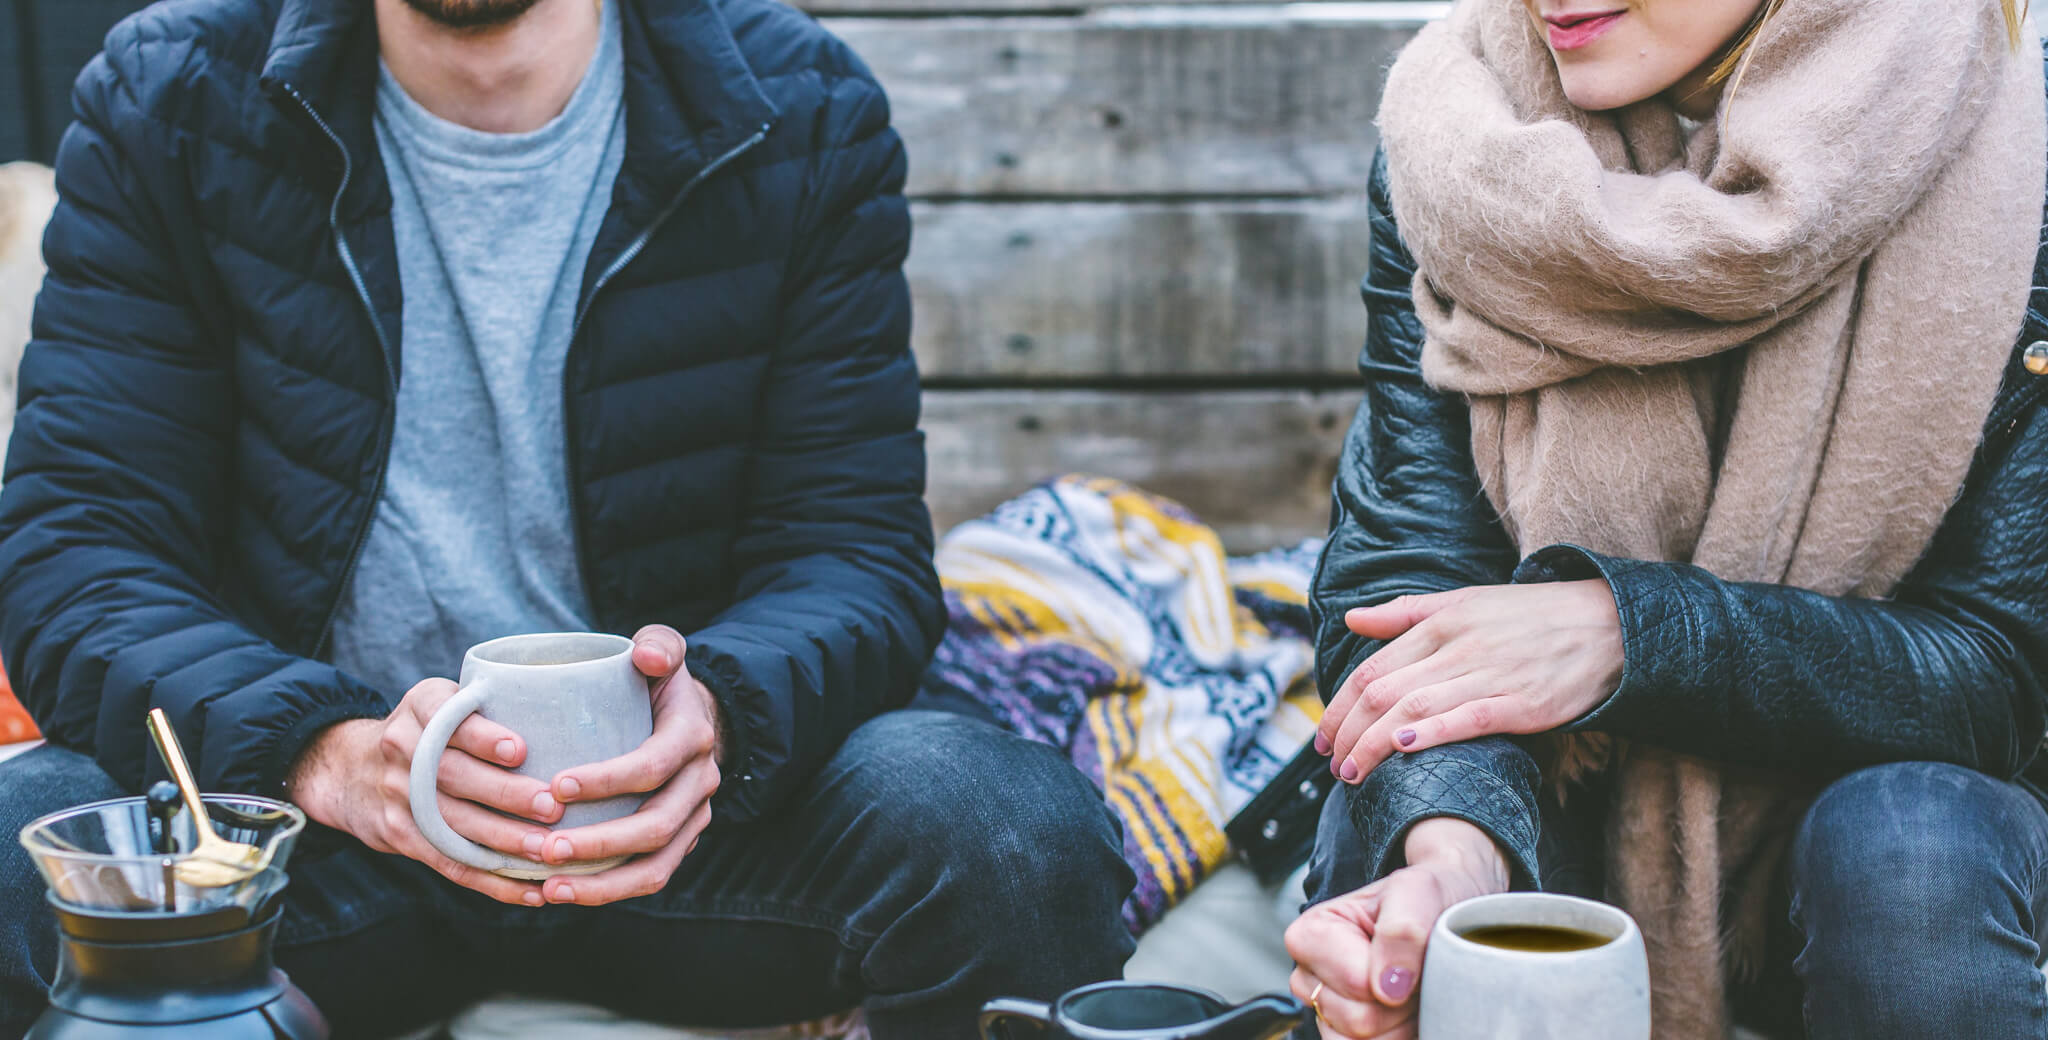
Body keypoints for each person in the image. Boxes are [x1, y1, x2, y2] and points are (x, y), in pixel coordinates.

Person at [0, 0, 1136, 1035]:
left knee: (1006, 831)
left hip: (686, 833)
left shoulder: (797, 104)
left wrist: (722, 716)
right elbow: (77, 549)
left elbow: (853, 551)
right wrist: (323, 756)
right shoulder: (172, 93)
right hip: (311, 839)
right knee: (19, 830)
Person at [1286, 0, 2048, 1038]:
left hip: (1852, 842)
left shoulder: (2017, 148)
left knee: (1911, 851)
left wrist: (1625, 635)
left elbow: (1997, 671)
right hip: (1560, 806)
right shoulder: (1461, 134)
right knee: (1384, 829)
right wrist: (1452, 842)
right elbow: (1404, 581)